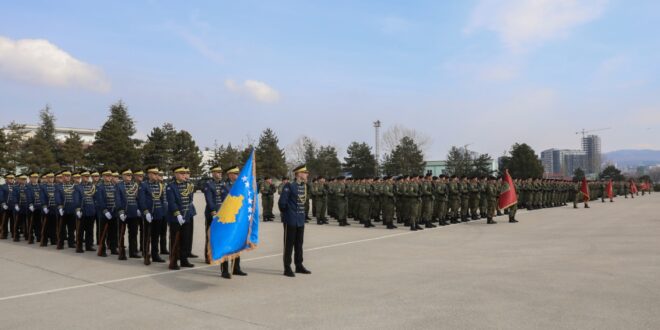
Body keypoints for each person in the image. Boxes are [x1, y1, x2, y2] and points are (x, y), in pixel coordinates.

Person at [278, 164, 312, 277]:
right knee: (289, 245)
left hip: (300, 220)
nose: (307, 174)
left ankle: (299, 265)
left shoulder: (304, 186)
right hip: (291, 220)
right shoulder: (289, 186)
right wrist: (288, 215)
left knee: (299, 244)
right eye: (305, 173)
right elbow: (282, 203)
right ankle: (287, 267)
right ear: (299, 174)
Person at [219, 165, 248, 278]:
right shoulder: (225, 187)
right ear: (230, 175)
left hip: (238, 220)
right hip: (228, 219)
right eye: (235, 174)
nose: (237, 175)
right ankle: (224, 270)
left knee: (237, 243)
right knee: (226, 244)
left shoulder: (241, 186)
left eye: (238, 173)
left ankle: (236, 267)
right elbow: (225, 204)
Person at [166, 166, 196, 270]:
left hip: (186, 216)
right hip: (176, 217)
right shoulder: (170, 186)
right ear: (176, 174)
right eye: (182, 173)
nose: (184, 175)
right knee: (175, 240)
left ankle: (184, 260)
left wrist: (186, 214)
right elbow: (171, 202)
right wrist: (177, 214)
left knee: (185, 239)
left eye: (185, 173)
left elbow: (189, 200)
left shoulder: (188, 185)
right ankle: (173, 261)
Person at [138, 166, 167, 264]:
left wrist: (163, 212)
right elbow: (141, 200)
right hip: (149, 214)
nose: (156, 175)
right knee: (147, 235)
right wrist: (146, 212)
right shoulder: (143, 185)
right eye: (154, 174)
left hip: (159, 213)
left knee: (156, 236)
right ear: (149, 174)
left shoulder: (160, 185)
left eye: (157, 174)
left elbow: (162, 200)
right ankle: (146, 254)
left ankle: (155, 255)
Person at [203, 165, 224, 264]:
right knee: (210, 235)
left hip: (223, 214)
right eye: (218, 172)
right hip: (212, 214)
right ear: (213, 173)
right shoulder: (209, 184)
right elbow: (209, 200)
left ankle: (217, 254)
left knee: (220, 235)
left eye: (221, 172)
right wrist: (213, 212)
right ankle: (208, 256)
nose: (220, 174)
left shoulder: (223, 183)